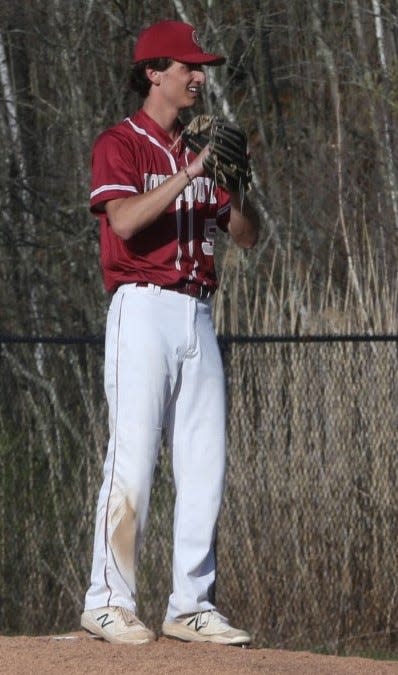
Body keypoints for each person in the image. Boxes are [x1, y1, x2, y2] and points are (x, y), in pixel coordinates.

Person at [81, 19, 259, 646]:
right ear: (154, 71)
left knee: (205, 462)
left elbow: (245, 236)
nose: (199, 77)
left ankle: (190, 604)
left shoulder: (203, 146)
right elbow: (124, 221)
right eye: (188, 67)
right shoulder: (120, 143)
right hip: (142, 306)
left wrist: (234, 188)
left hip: (198, 311)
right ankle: (107, 599)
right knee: (131, 456)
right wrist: (189, 175)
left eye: (201, 67)